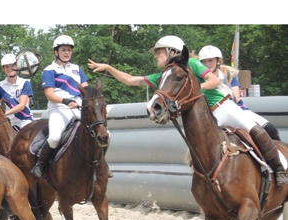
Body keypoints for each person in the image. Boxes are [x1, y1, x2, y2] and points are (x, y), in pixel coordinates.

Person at [88, 35, 288, 186]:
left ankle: (280, 170)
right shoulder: (164, 75)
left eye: (159, 51)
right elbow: (131, 80)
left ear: (172, 51)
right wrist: (108, 68)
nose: (156, 55)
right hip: (208, 115)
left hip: (223, 107)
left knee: (255, 129)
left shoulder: (192, 64)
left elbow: (214, 80)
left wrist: (195, 90)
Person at [30, 35, 89, 179]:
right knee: (55, 137)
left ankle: (101, 165)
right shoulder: (49, 70)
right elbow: (49, 94)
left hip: (79, 107)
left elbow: (86, 89)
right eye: (63, 50)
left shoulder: (76, 69)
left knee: (102, 133)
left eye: (69, 50)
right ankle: (41, 164)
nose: (67, 52)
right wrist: (66, 101)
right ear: (56, 52)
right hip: (59, 109)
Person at [198, 45, 281, 141]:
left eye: (210, 60)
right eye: (204, 61)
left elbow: (235, 97)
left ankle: (279, 155)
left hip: (238, 109)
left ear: (218, 61)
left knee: (270, 129)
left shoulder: (229, 75)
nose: (207, 64)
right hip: (213, 113)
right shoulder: (199, 79)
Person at [0, 53, 35, 130]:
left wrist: (4, 114)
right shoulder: (0, 85)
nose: (9, 68)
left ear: (17, 66)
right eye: (6, 66)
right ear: (3, 69)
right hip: (8, 122)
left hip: (25, 121)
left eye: (12, 65)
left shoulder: (25, 83)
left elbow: (22, 106)